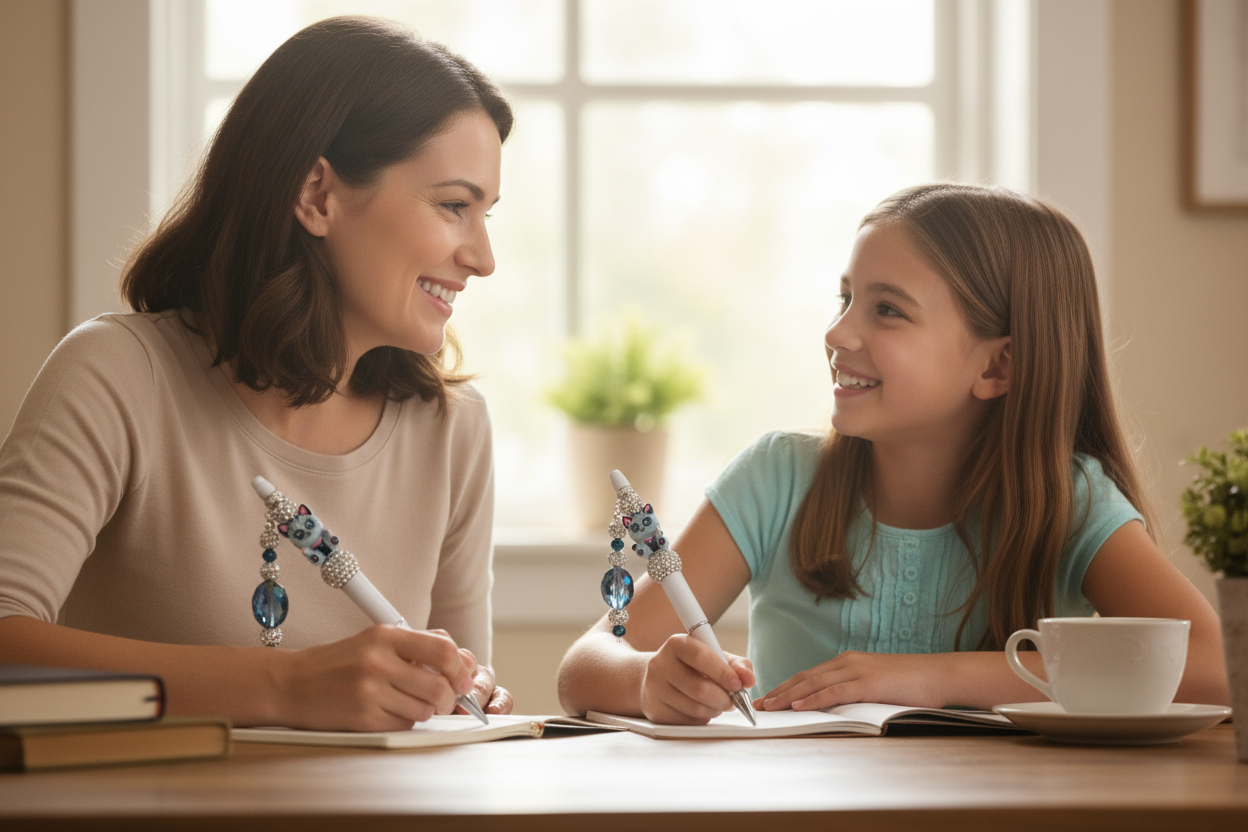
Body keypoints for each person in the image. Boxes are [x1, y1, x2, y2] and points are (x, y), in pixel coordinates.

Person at [0, 17, 515, 731]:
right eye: (455, 206)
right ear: (317, 195)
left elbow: (459, 717)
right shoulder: (116, 376)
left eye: (487, 214)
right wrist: (285, 686)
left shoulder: (454, 429)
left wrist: (458, 694)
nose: (483, 257)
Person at [557, 183, 1231, 724]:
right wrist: (649, 679)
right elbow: (585, 665)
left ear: (999, 367)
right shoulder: (775, 481)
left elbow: (1220, 665)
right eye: (846, 298)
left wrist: (933, 677)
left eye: (888, 311)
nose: (837, 332)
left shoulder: (1070, 501)